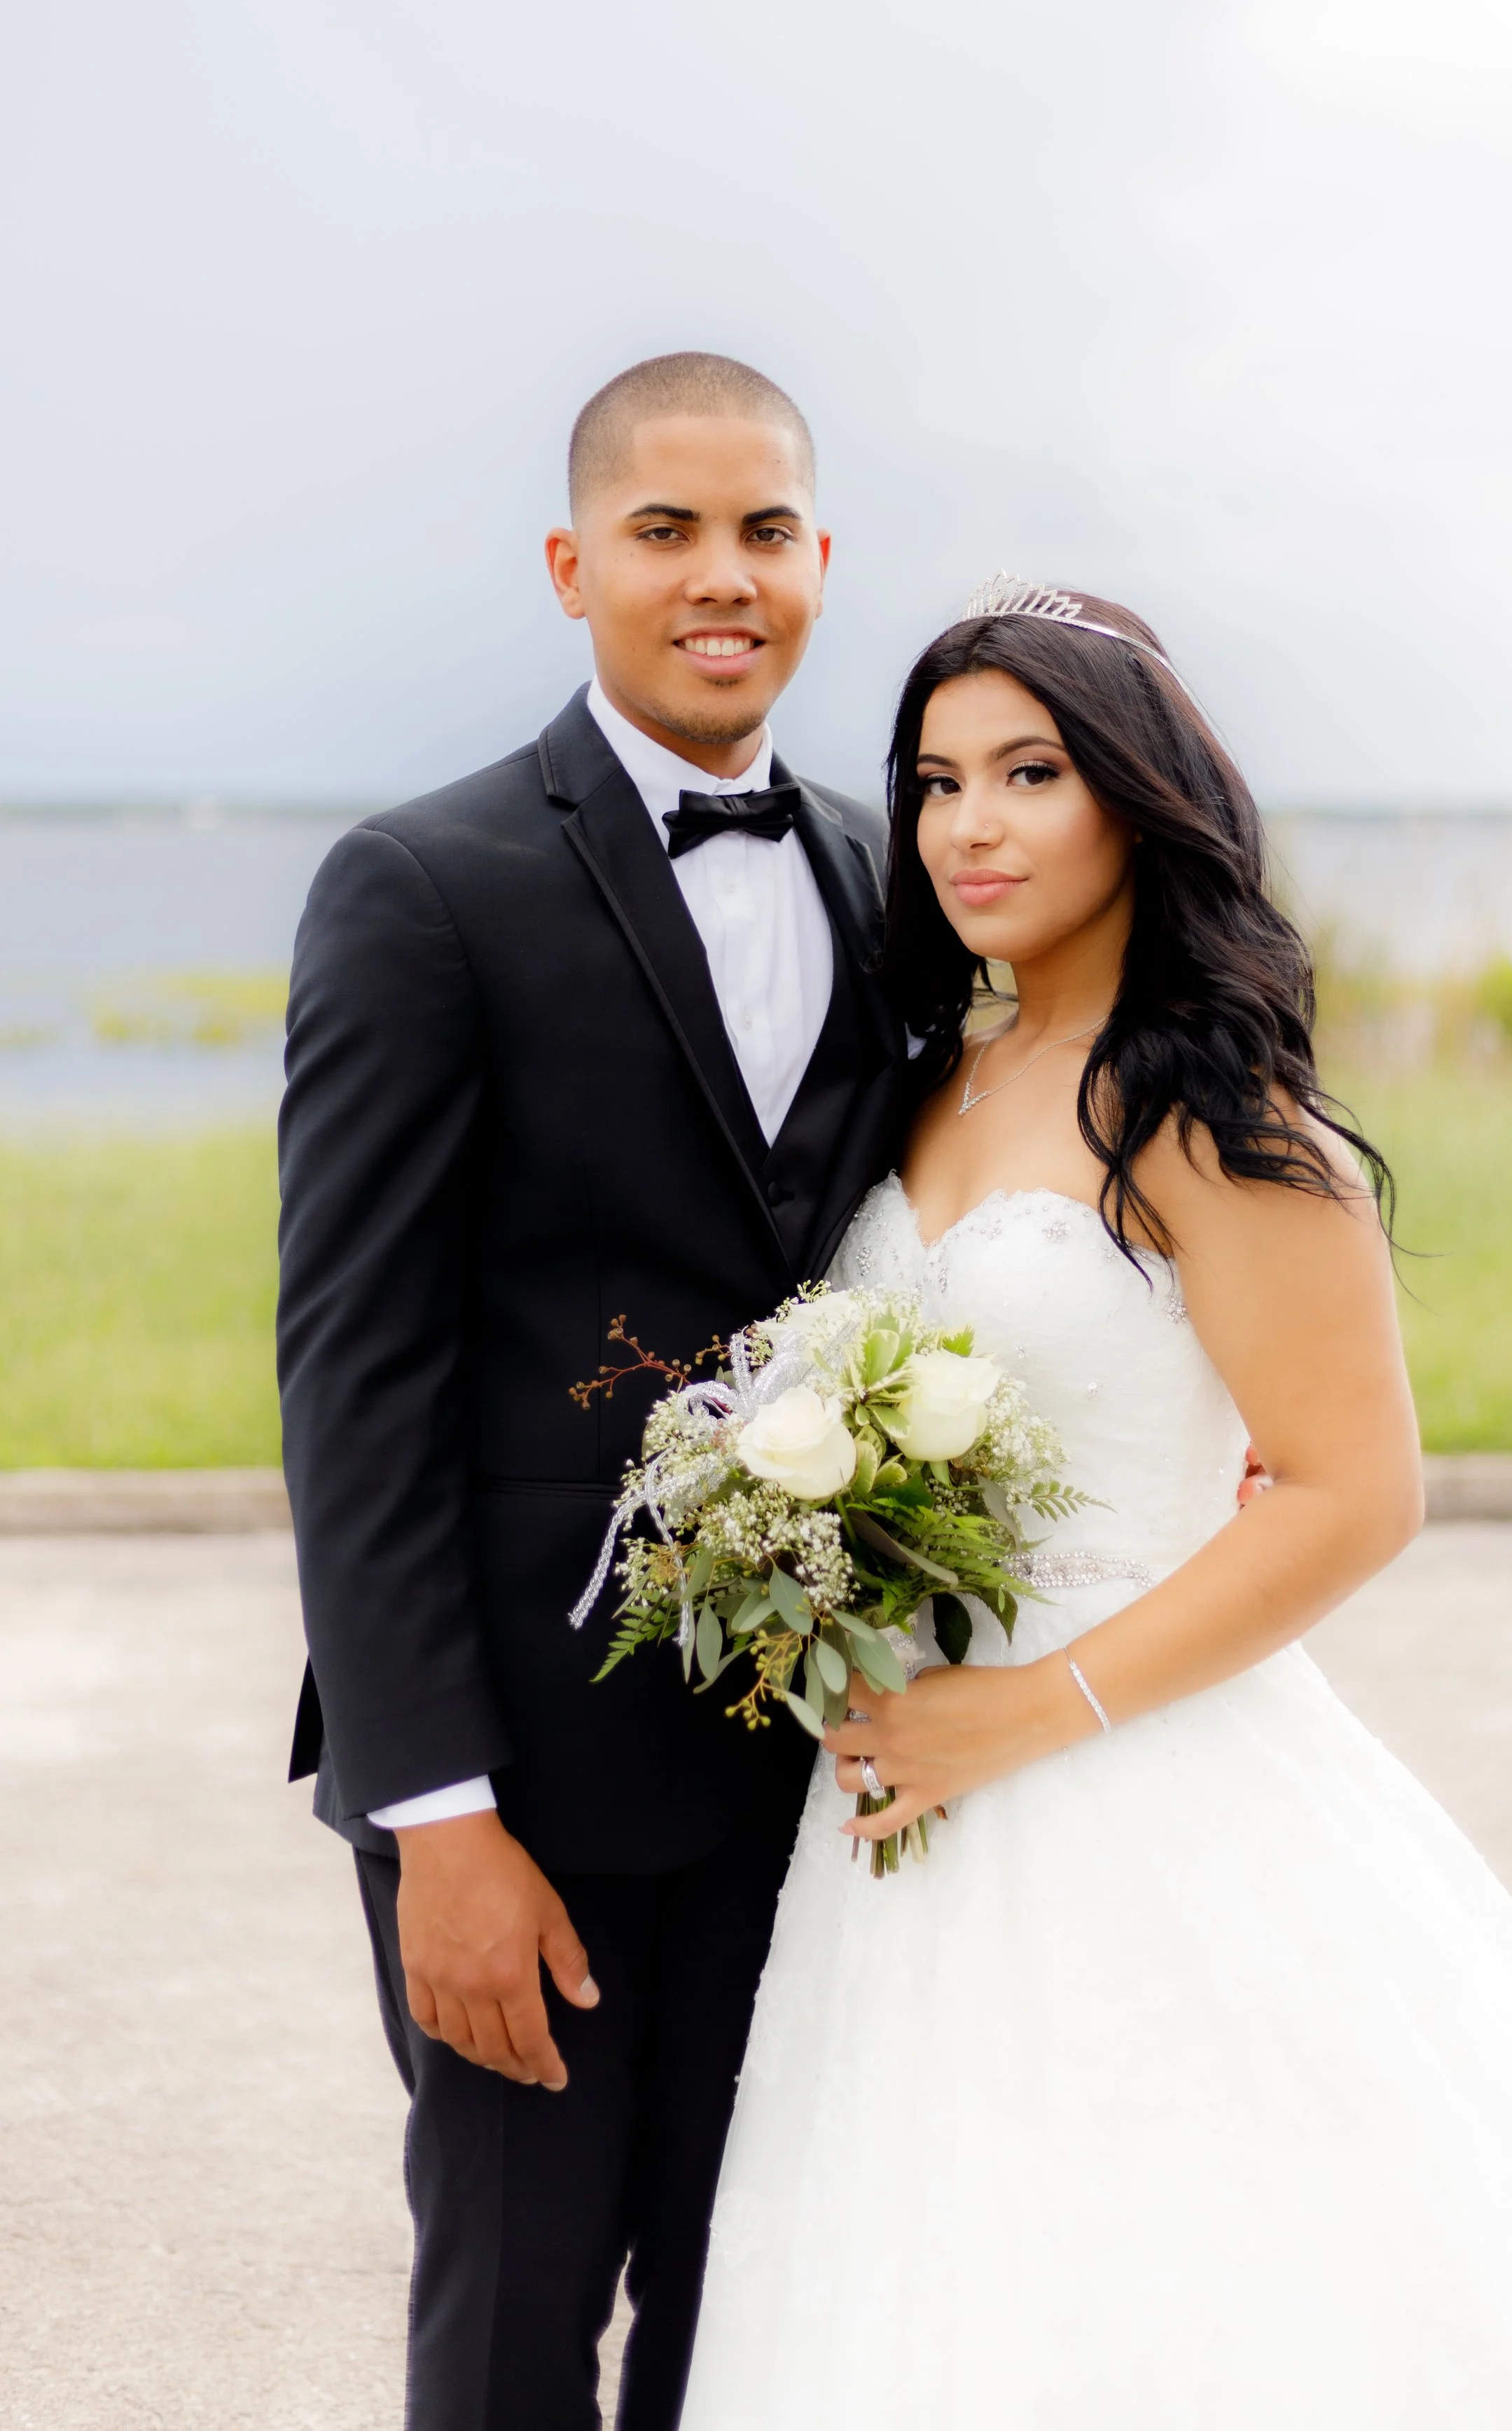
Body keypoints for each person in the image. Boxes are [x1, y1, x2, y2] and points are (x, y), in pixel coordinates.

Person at [679, 581, 1512, 2429]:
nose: (971, 826)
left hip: (1133, 1769)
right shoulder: (927, 1082)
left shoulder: (1219, 1116)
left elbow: (1352, 1491)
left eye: (1030, 771)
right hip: (896, 1797)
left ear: (1137, 797)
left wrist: (1024, 1706)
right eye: (936, 781)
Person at [277, 354, 905, 2431]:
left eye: (763, 530)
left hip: (814, 1760)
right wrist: (431, 1809)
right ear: (572, 565)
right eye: (665, 530)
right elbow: (352, 1376)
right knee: (515, 2314)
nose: (720, 576)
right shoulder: (421, 884)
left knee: (761, 2311)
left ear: (819, 558)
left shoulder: (895, 877)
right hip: (522, 1778)